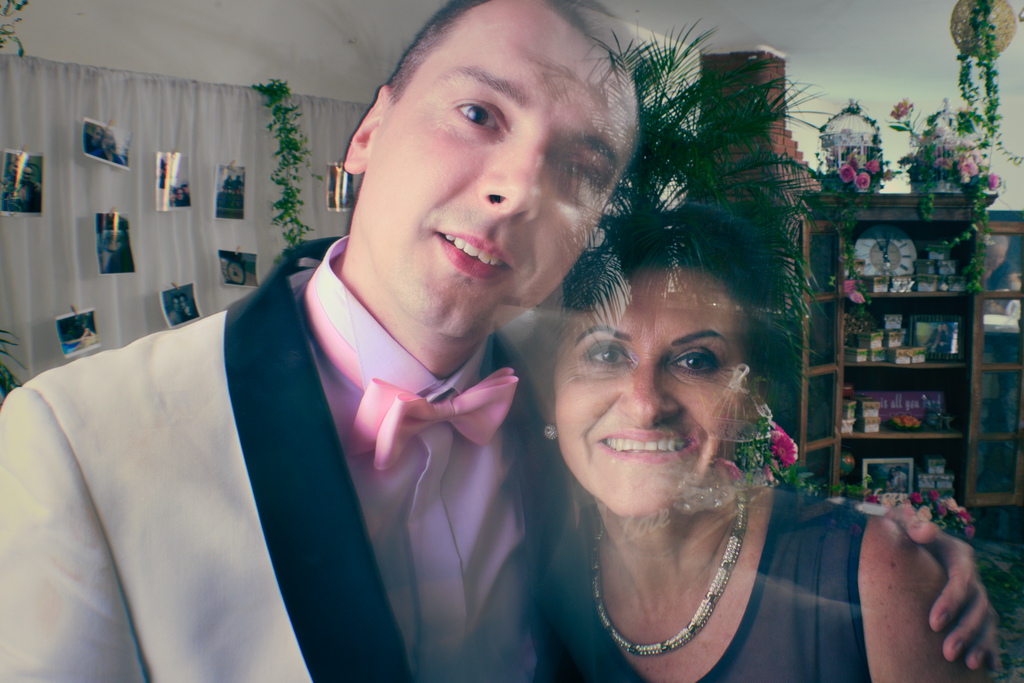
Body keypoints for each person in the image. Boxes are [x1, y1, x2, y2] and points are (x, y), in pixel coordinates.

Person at [0, 1, 994, 680]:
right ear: (369, 130)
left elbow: (692, 465)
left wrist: (892, 554)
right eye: (478, 113)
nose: (517, 188)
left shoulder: (569, 383)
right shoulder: (74, 439)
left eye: (578, 166)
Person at [536, 204, 992, 682]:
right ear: (550, 394)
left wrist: (910, 569)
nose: (645, 405)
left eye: (696, 361)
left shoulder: (877, 579)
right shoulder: (536, 564)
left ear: (752, 399)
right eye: (606, 354)